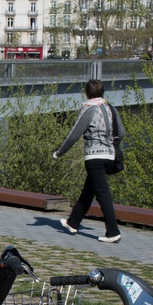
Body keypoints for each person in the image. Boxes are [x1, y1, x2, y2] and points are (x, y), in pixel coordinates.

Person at [53, 78, 124, 243]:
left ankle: (113, 232)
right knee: (89, 191)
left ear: (87, 93)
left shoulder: (88, 110)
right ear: (102, 92)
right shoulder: (111, 108)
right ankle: (73, 222)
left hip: (94, 158)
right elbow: (121, 133)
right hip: (110, 157)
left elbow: (74, 134)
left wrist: (59, 152)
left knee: (102, 194)